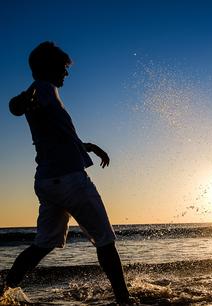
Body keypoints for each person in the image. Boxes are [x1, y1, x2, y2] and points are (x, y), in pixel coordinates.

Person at [2, 42, 137, 305]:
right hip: (71, 181)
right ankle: (124, 301)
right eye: (64, 68)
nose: (67, 74)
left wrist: (89, 146)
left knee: (43, 244)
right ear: (50, 67)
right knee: (105, 240)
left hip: (47, 181)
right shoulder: (42, 88)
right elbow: (15, 106)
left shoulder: (46, 93)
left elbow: (58, 135)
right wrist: (19, 101)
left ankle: (4, 291)